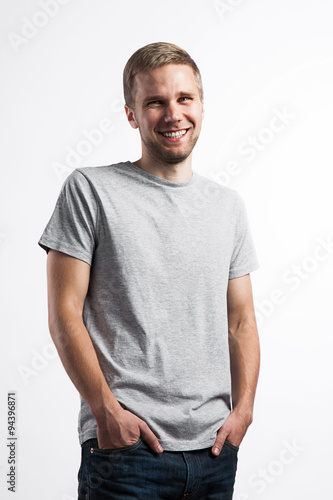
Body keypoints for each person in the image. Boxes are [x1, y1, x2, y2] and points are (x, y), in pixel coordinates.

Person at [38, 42, 260, 500]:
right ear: (131, 114)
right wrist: (104, 412)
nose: (172, 114)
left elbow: (240, 322)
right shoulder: (90, 189)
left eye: (184, 99)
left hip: (215, 452)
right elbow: (64, 313)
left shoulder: (227, 206)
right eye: (155, 101)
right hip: (127, 452)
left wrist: (244, 413)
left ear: (201, 105)